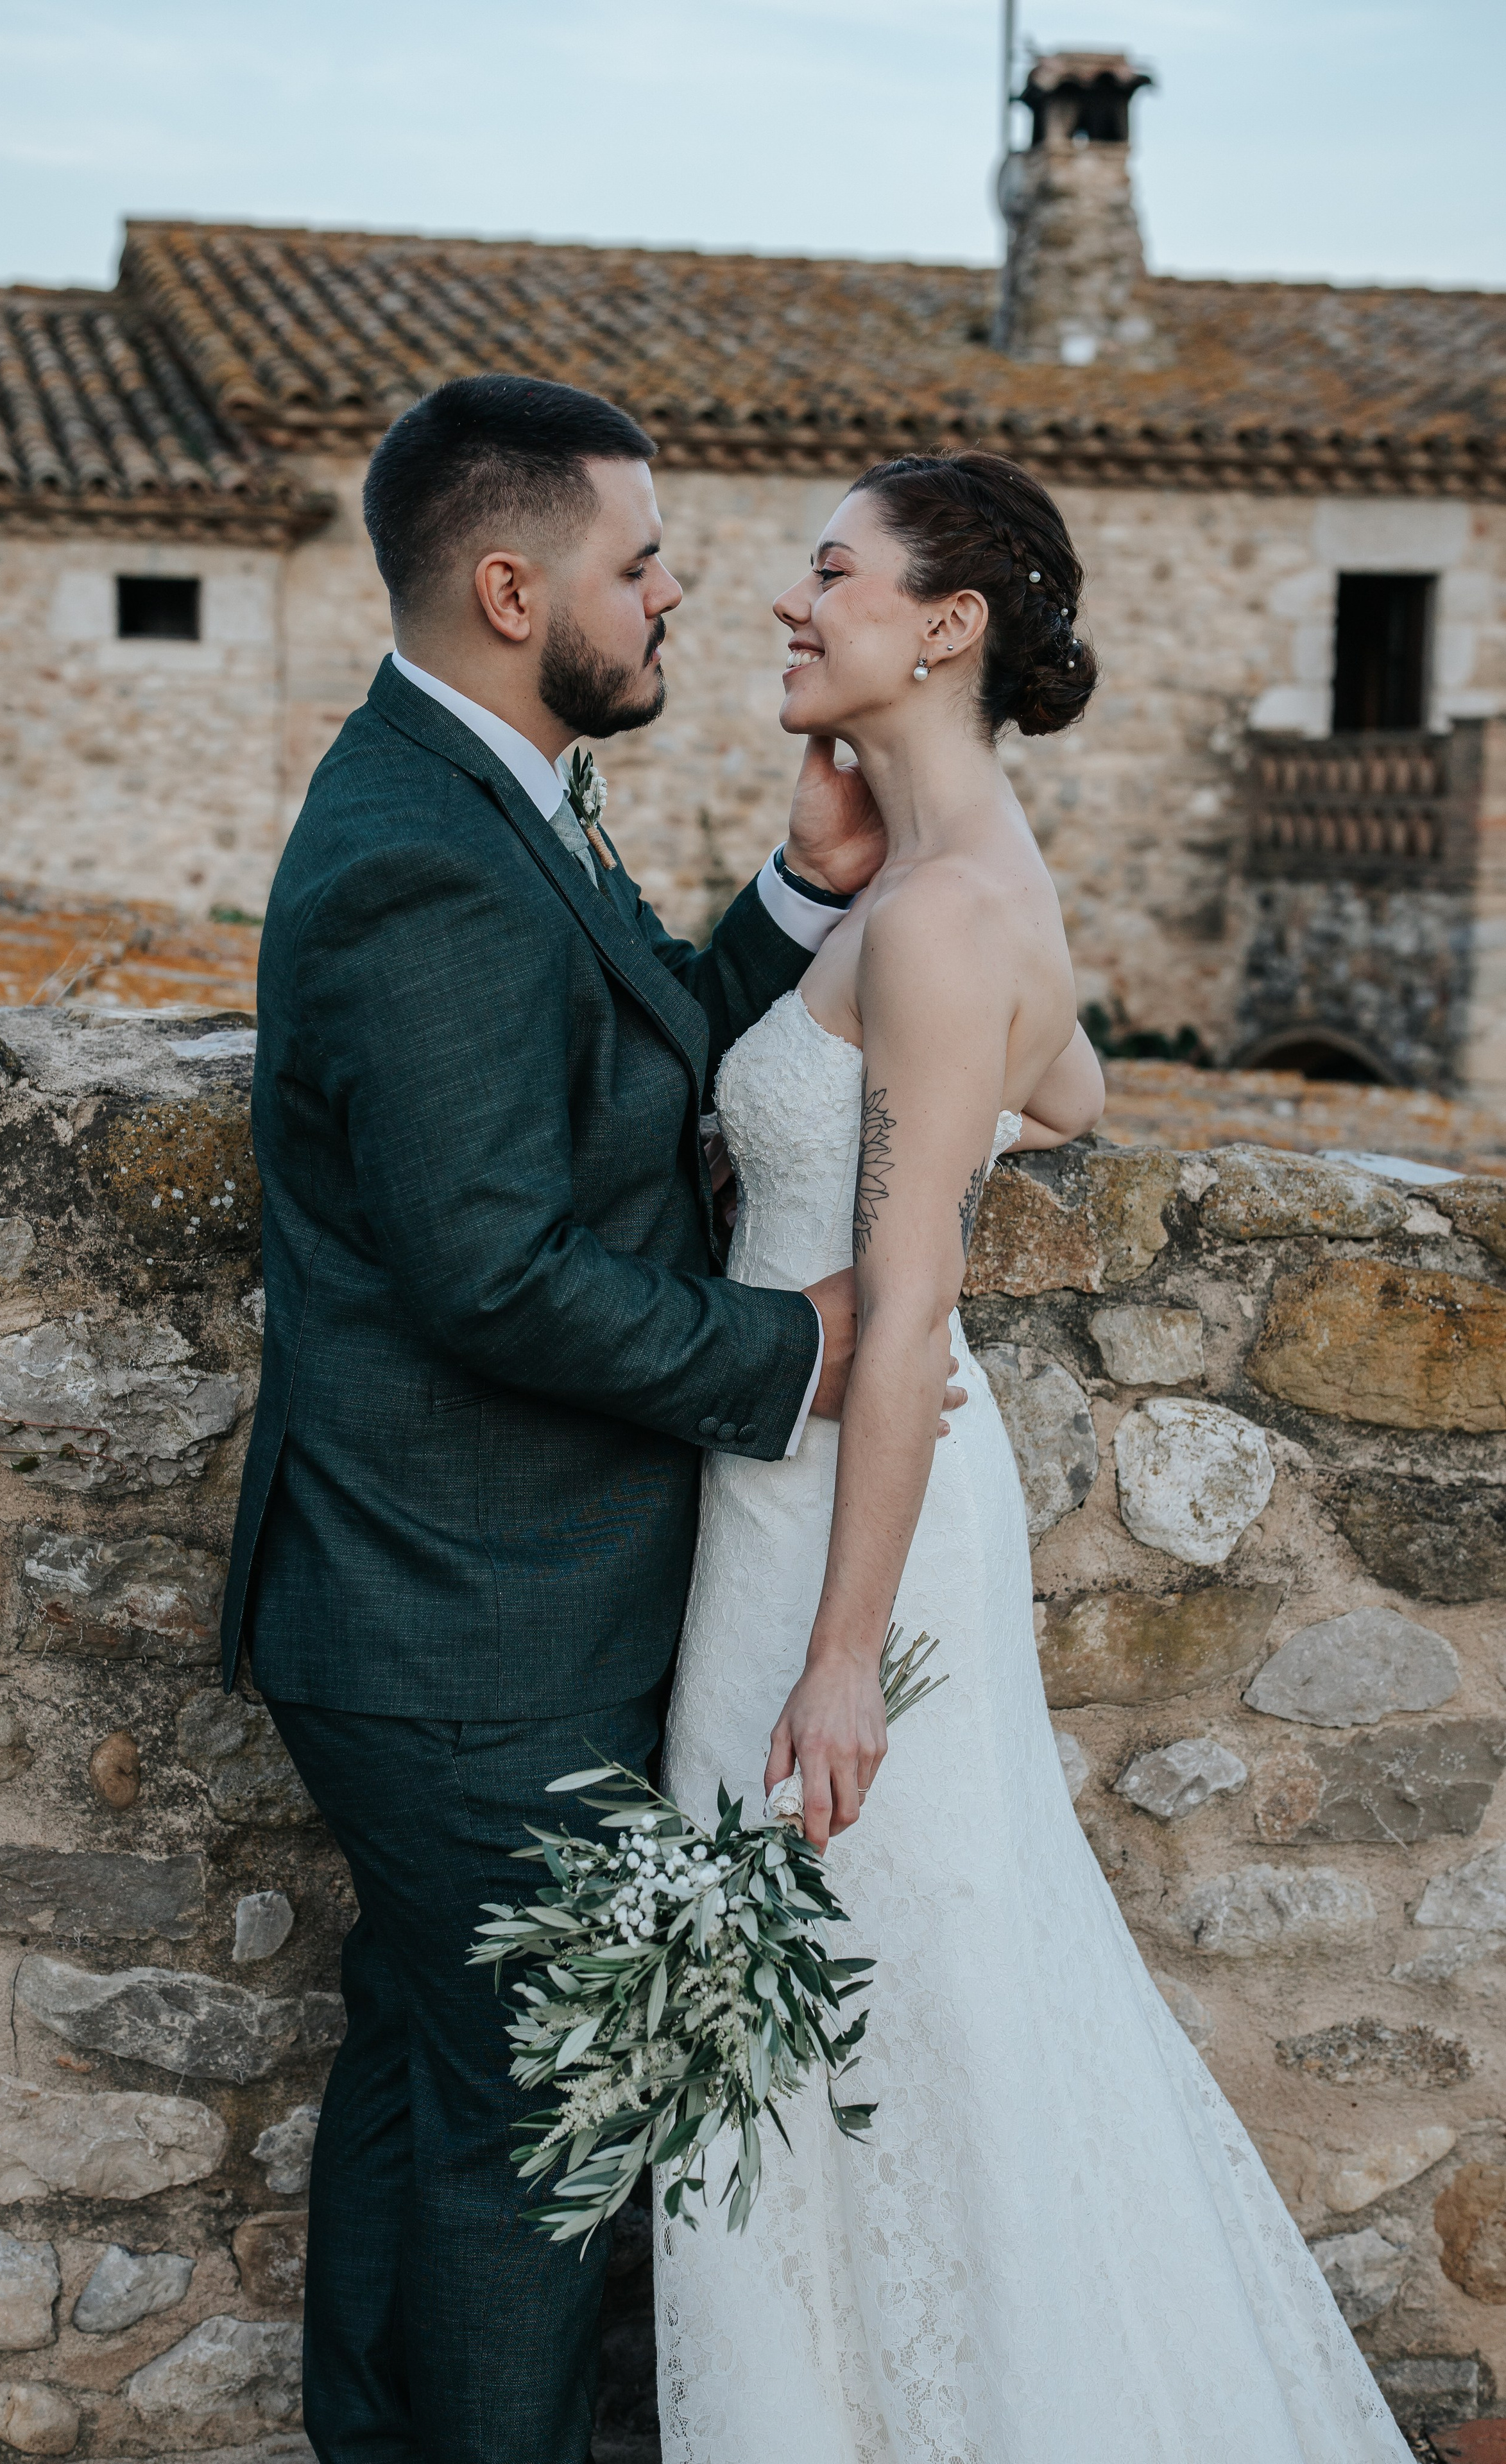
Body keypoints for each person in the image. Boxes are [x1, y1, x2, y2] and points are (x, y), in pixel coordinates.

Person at [218, 373, 968, 2464]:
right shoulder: (419, 857)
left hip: (453, 1612)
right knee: (532, 2143)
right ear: (509, 581)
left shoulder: (486, 793)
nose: (678, 599)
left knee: (428, 2090)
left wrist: (800, 903)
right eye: (643, 566)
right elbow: (493, 1269)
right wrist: (795, 1353)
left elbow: (629, 1082)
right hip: (460, 1627)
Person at [655, 450, 1410, 2461]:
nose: (791, 607)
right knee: (896, 1984)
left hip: (842, 1526)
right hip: (837, 1505)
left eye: (832, 576)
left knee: (885, 1991)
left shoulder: (938, 918)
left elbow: (902, 1318)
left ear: (949, 625)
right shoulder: (978, 882)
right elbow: (1065, 1086)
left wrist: (840, 1651)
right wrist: (852, 865)